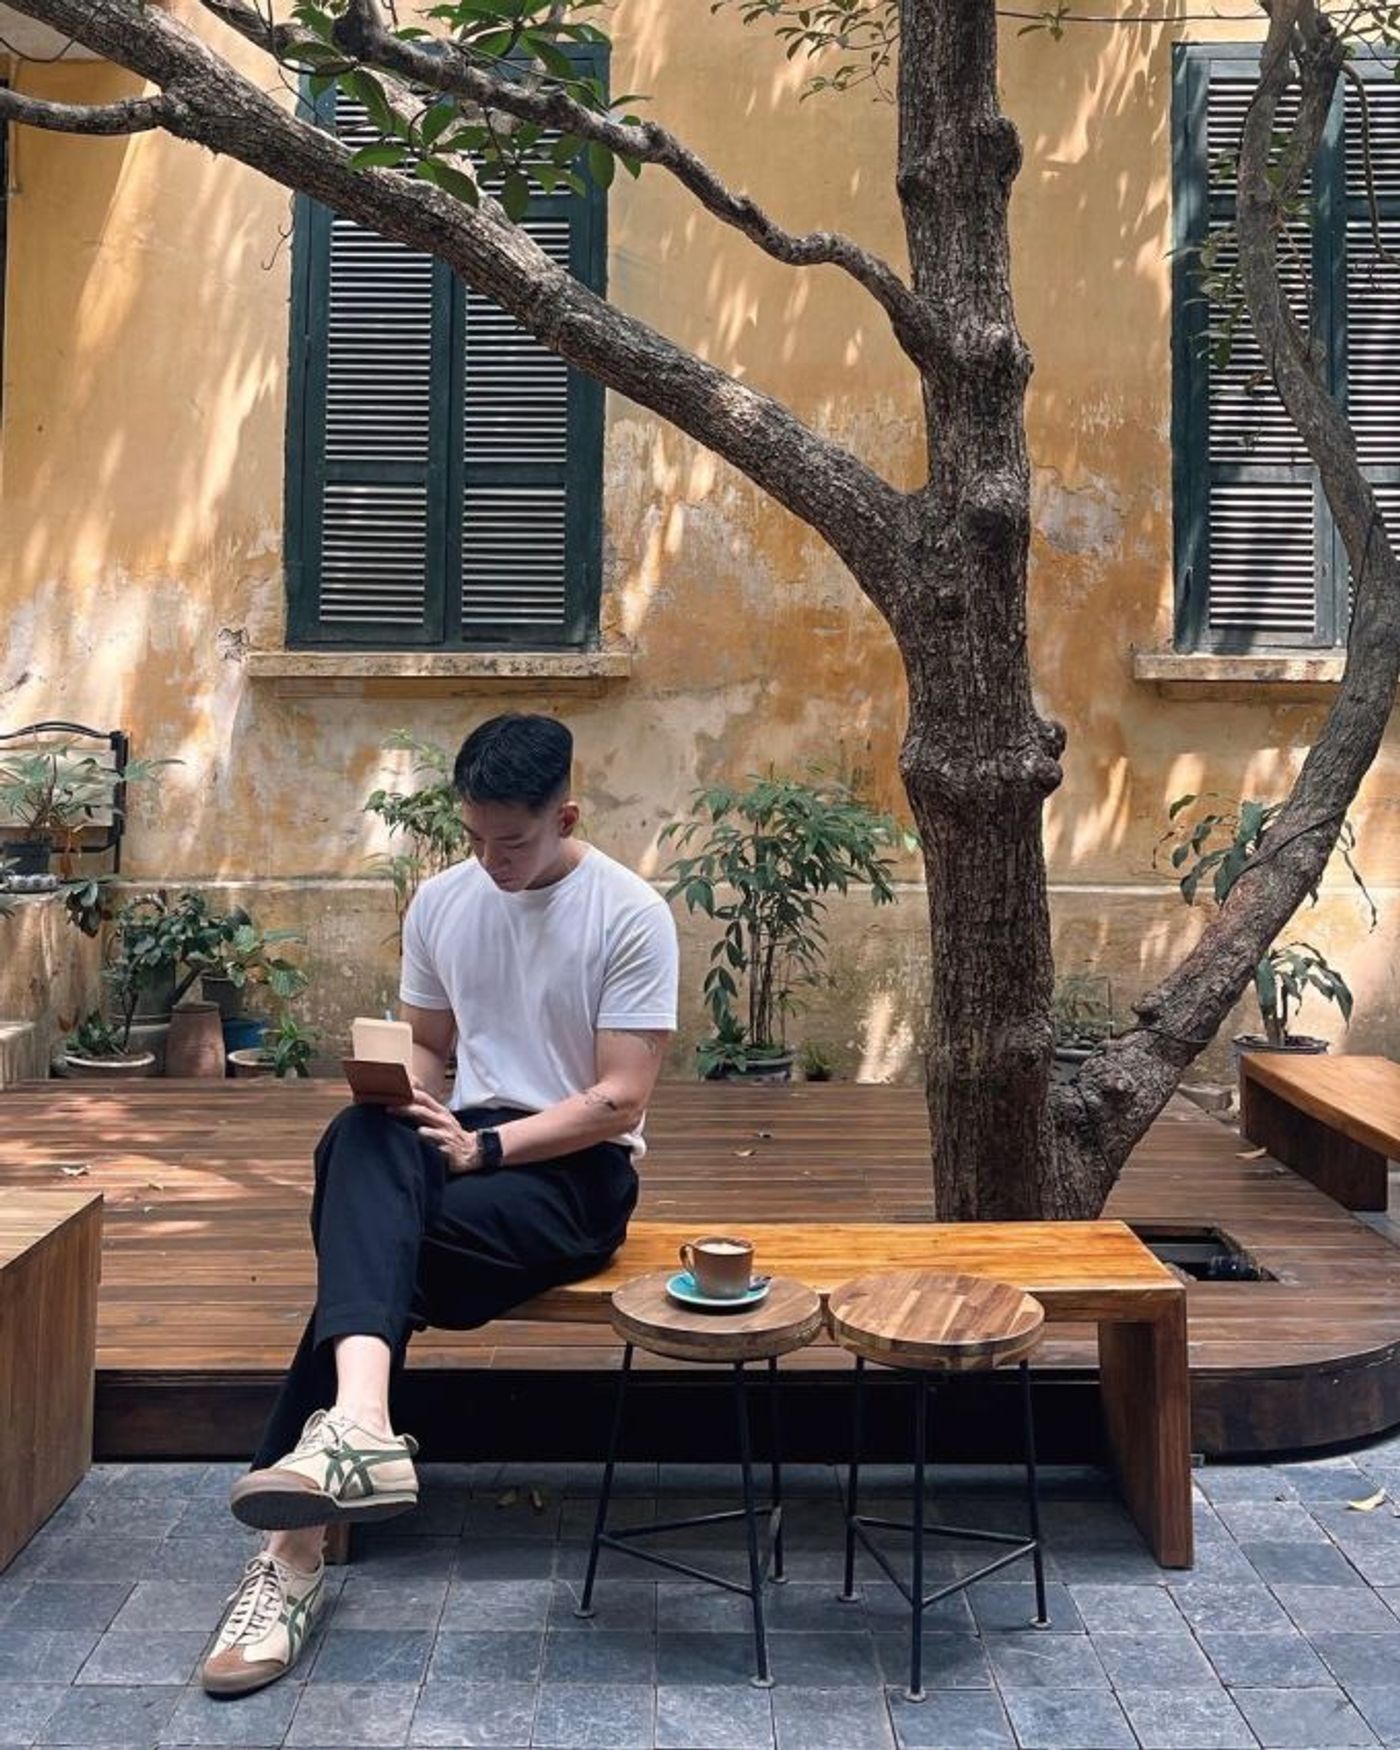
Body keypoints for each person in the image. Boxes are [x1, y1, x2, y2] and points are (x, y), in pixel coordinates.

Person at [199, 713, 679, 1696]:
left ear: (564, 814)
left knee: (367, 1244)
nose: (490, 859)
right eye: (473, 837)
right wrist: (397, 1085)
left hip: (568, 1174)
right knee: (359, 1137)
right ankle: (361, 1428)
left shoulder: (628, 913)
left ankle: (290, 1558)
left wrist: (485, 1145)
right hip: (456, 1151)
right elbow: (434, 1048)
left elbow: (620, 1095)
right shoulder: (441, 902)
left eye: (513, 839)